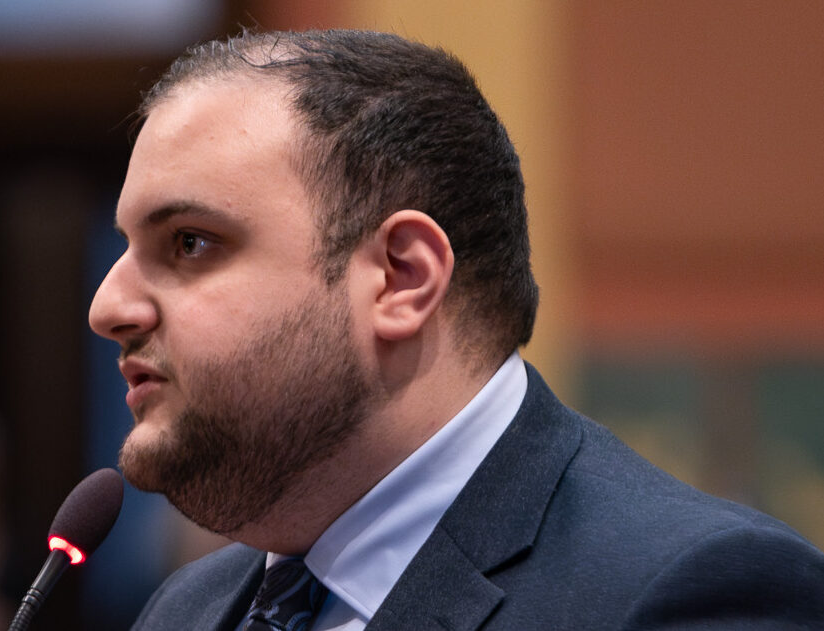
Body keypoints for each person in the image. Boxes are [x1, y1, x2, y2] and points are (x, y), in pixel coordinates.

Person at [87, 29, 824, 630]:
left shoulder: (687, 594)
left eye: (188, 242)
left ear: (401, 278)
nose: (107, 306)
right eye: (124, 247)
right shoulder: (189, 610)